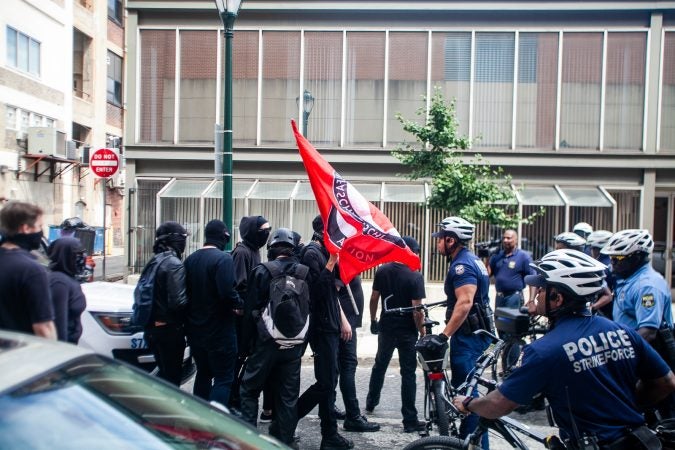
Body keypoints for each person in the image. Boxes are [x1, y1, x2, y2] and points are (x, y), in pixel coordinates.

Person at [452, 249, 675, 449]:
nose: (536, 294)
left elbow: (498, 404)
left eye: (541, 289)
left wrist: (469, 403)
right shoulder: (623, 332)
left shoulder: (543, 351)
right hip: (638, 440)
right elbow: (666, 382)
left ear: (557, 297)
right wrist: (627, 407)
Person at [239, 228, 308, 447]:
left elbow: (250, 311)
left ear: (271, 249)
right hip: (295, 344)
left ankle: (250, 441)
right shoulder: (304, 272)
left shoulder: (262, 271)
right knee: (288, 398)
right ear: (292, 249)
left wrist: (245, 347)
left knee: (249, 390)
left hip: (266, 343)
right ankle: (284, 442)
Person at [428, 216, 493, 444]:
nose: (437, 243)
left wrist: (444, 336)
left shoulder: (461, 266)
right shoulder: (474, 260)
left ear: (451, 240)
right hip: (477, 336)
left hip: (467, 339)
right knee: (469, 391)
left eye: (440, 239)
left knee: (468, 397)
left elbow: (465, 302)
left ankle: (472, 445)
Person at [297, 215, 354, 450]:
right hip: (320, 328)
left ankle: (329, 435)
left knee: (329, 381)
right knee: (326, 383)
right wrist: (331, 262)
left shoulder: (327, 252)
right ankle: (287, 420)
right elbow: (316, 293)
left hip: (330, 324)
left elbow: (335, 287)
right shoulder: (311, 253)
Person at [366, 235, 426, 433]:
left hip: (386, 327)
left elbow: (374, 298)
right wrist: (423, 332)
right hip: (407, 332)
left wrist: (374, 319)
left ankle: (371, 401)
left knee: (380, 364)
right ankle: (410, 420)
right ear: (412, 252)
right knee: (408, 372)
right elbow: (417, 310)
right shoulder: (415, 275)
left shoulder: (382, 270)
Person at [184, 219, 242, 406]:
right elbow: (227, 293)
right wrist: (240, 305)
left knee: (203, 374)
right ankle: (215, 424)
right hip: (219, 331)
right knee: (224, 378)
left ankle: (198, 417)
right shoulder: (223, 259)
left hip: (195, 330)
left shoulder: (191, 259)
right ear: (224, 236)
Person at [230, 215, 271, 413]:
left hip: (252, 315)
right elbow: (240, 285)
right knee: (239, 358)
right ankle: (232, 398)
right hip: (243, 318)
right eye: (263, 230)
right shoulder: (242, 252)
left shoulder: (253, 251)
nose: (266, 234)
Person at [0, 201, 56, 339]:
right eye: (39, 226)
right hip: (21, 354)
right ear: (25, 228)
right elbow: (43, 328)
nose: (41, 232)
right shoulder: (31, 270)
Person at [143, 221, 188, 386]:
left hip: (152, 328)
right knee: (172, 380)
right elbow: (179, 302)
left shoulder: (155, 260)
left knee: (164, 375)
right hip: (169, 330)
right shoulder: (174, 264)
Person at [335, 275, 380, 432]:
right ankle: (353, 417)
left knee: (340, 367)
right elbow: (333, 294)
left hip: (347, 324)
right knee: (348, 366)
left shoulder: (347, 260)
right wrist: (344, 322)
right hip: (344, 326)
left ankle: (329, 407)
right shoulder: (340, 261)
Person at [47, 237, 87, 343]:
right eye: (78, 255)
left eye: (83, 253)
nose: (83, 258)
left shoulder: (68, 279)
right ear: (65, 256)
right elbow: (58, 323)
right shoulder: (59, 282)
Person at [488, 229, 534, 311]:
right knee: (500, 323)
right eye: (504, 238)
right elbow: (487, 274)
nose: (505, 240)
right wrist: (488, 257)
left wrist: (531, 300)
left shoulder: (523, 257)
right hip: (499, 297)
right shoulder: (497, 256)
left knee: (511, 323)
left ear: (516, 240)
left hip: (514, 298)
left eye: (508, 238)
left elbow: (532, 279)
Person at [586, 229, 615, 318]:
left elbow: (608, 296)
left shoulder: (601, 266)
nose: (591, 251)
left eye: (592, 248)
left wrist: (592, 308)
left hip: (604, 312)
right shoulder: (612, 262)